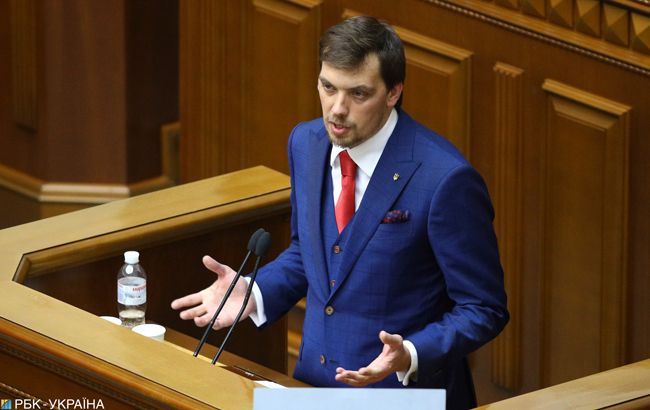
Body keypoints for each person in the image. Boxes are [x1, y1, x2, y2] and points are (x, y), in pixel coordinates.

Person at [171, 15, 508, 409]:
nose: (337, 109)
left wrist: (411, 353)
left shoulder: (445, 179)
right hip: (310, 389)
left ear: (393, 92)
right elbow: (310, 253)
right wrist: (255, 291)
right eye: (328, 87)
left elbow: (483, 308)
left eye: (358, 94)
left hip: (399, 399)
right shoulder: (306, 143)